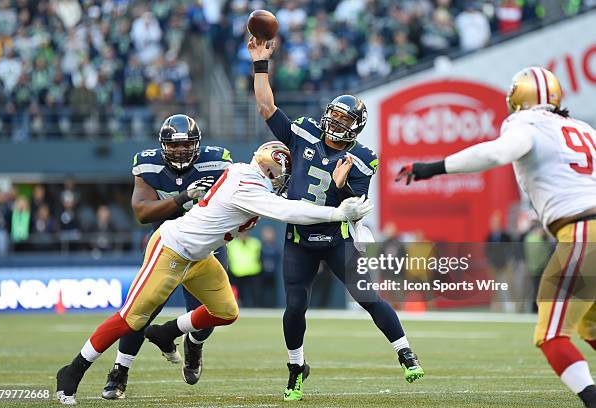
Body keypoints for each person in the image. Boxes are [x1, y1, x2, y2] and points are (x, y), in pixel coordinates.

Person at [56, 141, 373, 405]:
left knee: (226, 311)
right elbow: (288, 210)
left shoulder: (247, 175)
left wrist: (346, 207)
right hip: (172, 249)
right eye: (281, 176)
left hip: (200, 257)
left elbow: (290, 204)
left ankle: (169, 332)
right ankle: (73, 370)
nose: (283, 182)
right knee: (131, 319)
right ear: (271, 170)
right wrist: (336, 212)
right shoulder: (249, 184)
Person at [396, 67, 596, 408]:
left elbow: (495, 154)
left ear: (519, 99)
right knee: (590, 328)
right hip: (585, 229)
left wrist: (431, 168)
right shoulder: (584, 129)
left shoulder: (526, 123)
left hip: (583, 231)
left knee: (550, 336)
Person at [247, 36, 424, 402]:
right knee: (295, 306)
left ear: (356, 126)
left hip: (337, 238)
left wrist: (343, 188)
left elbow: (357, 207)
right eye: (334, 115)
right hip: (299, 239)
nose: (334, 123)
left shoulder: (362, 159)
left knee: (368, 296)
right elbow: (266, 106)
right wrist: (260, 64)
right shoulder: (305, 133)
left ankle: (405, 351)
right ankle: (296, 368)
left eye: (344, 120)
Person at [101, 114, 233, 399]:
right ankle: (119, 373)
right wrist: (183, 196)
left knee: (208, 313)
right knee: (140, 311)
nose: (180, 151)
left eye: (187, 145)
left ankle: (193, 345)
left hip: (207, 247)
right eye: (174, 146)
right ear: (163, 146)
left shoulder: (219, 161)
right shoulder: (148, 165)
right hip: (168, 246)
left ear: (198, 145)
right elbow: (142, 212)